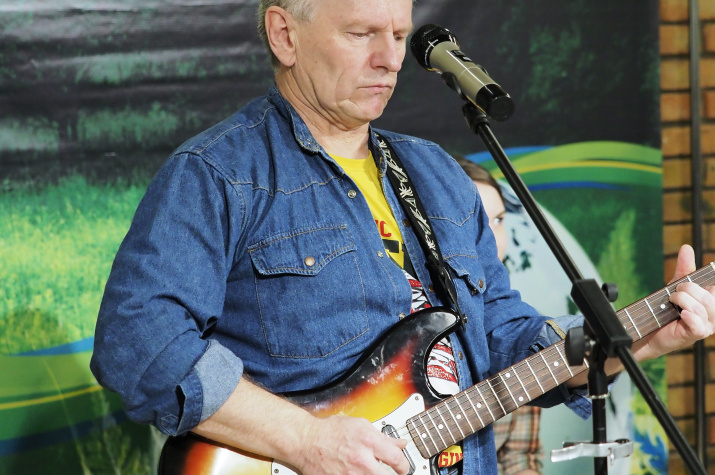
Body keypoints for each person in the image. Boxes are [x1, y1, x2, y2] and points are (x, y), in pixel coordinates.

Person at [89, 1, 715, 474]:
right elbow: (137, 344)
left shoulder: (436, 174)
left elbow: (503, 340)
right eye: (361, 33)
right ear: (285, 34)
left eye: (397, 34)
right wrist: (305, 441)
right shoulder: (219, 174)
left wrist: (637, 340)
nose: (390, 59)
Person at [455, 157, 542, 475]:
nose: (493, 238)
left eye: (498, 220)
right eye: (476, 222)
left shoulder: (513, 321)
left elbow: (519, 457)